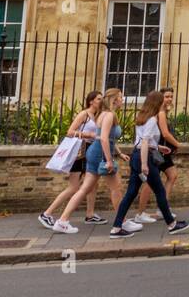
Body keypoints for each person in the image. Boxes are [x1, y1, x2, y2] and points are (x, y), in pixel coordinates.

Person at [109, 90, 189, 238]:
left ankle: (116, 227)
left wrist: (159, 147)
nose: (164, 103)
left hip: (136, 155)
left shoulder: (141, 117)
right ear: (157, 103)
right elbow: (145, 142)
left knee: (131, 193)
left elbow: (141, 141)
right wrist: (145, 165)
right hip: (144, 158)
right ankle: (172, 224)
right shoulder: (153, 120)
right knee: (160, 191)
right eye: (161, 100)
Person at [53, 88, 132, 234]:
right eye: (121, 97)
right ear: (114, 99)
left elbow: (107, 138)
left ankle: (62, 221)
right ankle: (122, 222)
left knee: (85, 189)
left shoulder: (103, 114)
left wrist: (119, 153)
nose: (123, 99)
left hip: (94, 153)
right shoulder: (108, 115)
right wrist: (109, 160)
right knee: (116, 188)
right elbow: (103, 139)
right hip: (99, 155)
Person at [39, 91, 104, 228]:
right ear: (91, 101)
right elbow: (69, 132)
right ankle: (47, 213)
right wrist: (89, 134)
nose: (101, 101)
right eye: (98, 99)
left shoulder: (97, 116)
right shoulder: (84, 114)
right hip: (79, 153)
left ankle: (90, 214)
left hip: (90, 152)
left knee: (92, 184)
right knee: (73, 187)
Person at [131, 86, 180, 224]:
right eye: (166, 96)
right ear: (160, 99)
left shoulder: (159, 112)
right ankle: (141, 213)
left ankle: (161, 208)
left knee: (172, 175)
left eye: (171, 96)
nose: (169, 99)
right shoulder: (160, 113)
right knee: (150, 182)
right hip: (158, 152)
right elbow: (165, 133)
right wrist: (178, 144)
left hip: (160, 150)